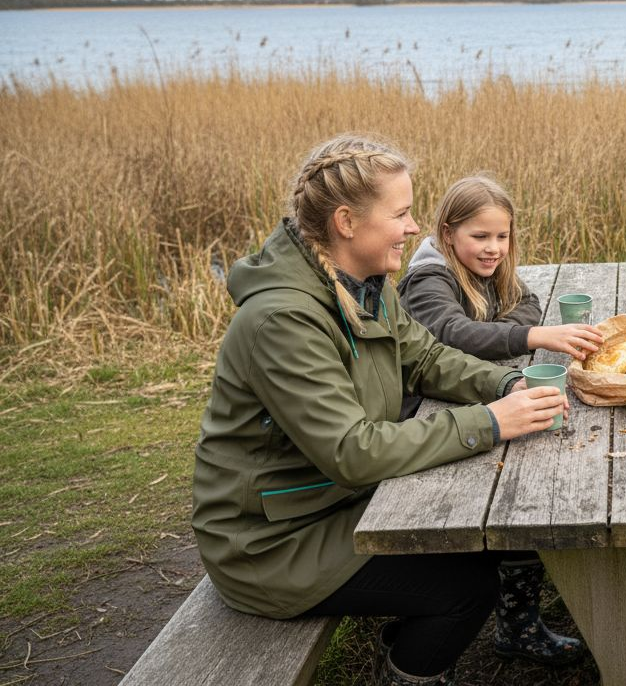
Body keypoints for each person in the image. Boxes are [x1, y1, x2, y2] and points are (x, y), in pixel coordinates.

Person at [193, 134, 570, 686]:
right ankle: (403, 670)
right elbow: (352, 451)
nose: (414, 228)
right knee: (467, 588)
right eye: (401, 214)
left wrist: (509, 383)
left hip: (333, 503)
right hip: (272, 543)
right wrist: (491, 422)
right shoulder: (283, 321)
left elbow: (429, 358)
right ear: (347, 222)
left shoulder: (367, 286)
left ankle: (408, 644)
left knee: (487, 534)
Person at [397, 174, 603, 665]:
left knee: (526, 488)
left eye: (502, 236)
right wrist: (530, 336)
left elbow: (526, 302)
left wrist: (497, 330)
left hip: (466, 398)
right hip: (420, 418)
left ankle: (518, 623)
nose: (493, 248)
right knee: (508, 494)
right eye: (480, 236)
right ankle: (487, 613)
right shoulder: (429, 280)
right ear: (448, 233)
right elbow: (453, 334)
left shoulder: (488, 269)